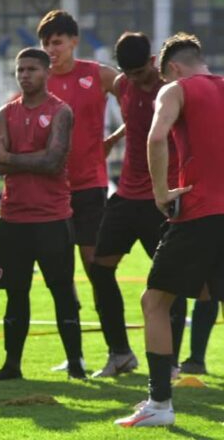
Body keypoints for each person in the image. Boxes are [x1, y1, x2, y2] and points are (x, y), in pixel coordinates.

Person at [116, 33, 224, 427]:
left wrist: (161, 193)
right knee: (206, 293)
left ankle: (159, 404)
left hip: (198, 212)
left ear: (173, 68)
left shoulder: (175, 89)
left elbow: (157, 136)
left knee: (155, 302)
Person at [0, 47, 84, 381]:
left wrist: (12, 157)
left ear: (46, 72)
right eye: (20, 70)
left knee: (61, 291)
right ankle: (12, 365)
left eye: (31, 69)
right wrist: (19, 158)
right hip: (13, 220)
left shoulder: (60, 112)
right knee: (15, 294)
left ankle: (75, 364)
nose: (25, 75)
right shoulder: (4, 113)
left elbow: (53, 161)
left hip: (52, 219)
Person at [89, 32, 184, 378]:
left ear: (153, 62)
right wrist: (112, 139)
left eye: (140, 73)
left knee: (168, 281)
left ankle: (170, 363)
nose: (135, 80)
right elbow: (136, 119)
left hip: (161, 196)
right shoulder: (123, 84)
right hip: (127, 195)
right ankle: (119, 354)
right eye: (128, 74)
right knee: (99, 268)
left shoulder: (171, 90)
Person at [37, 11, 120, 372]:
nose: (51, 49)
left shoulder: (97, 74)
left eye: (57, 42)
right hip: (52, 191)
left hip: (89, 187)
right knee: (60, 273)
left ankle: (119, 351)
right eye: (46, 43)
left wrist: (112, 141)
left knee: (96, 269)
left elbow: (139, 104)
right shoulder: (39, 80)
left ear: (73, 41)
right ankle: (75, 355)